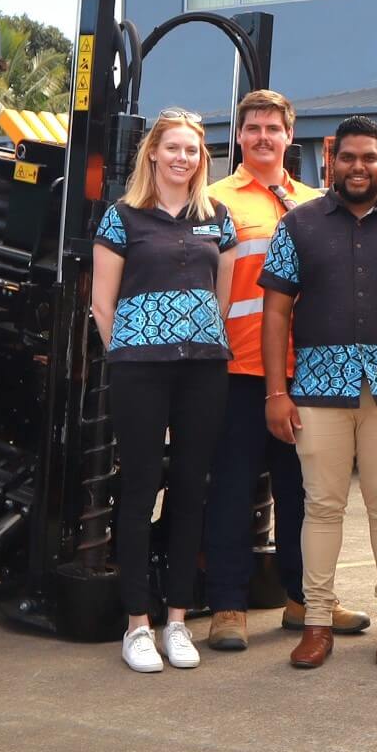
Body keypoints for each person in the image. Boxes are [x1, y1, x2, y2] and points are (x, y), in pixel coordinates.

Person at [260, 115, 377, 669]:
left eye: (370, 158)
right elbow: (276, 312)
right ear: (331, 160)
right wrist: (278, 391)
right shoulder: (299, 225)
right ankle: (315, 622)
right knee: (321, 507)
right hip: (318, 390)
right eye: (349, 158)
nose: (360, 167)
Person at [201, 89, 369, 652]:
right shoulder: (215, 201)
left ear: (289, 136)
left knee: (308, 495)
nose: (264, 137)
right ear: (240, 137)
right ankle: (228, 605)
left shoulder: (318, 203)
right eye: (253, 128)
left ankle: (307, 601)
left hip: (311, 372)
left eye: (274, 128)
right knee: (231, 489)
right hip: (239, 371)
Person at [90, 108, 238, 673]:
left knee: (189, 489)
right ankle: (137, 625)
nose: (182, 158)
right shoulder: (122, 217)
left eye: (192, 150)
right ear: (152, 153)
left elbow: (222, 299)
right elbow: (103, 303)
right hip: (140, 370)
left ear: (202, 159)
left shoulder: (217, 219)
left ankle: (177, 620)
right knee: (139, 487)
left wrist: (192, 334)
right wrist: (132, 349)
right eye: (172, 148)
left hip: (203, 367)